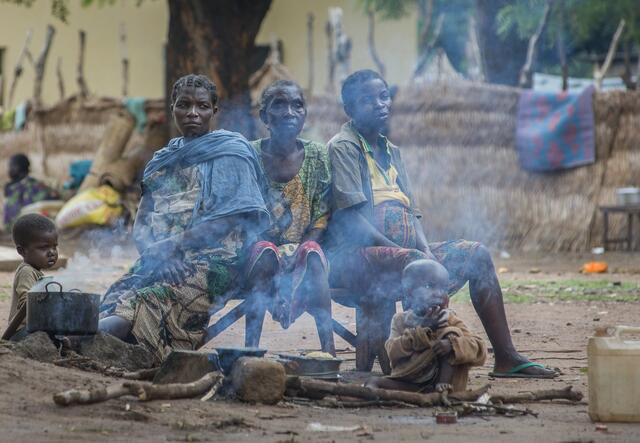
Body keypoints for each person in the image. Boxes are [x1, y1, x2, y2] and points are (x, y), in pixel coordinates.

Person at [326, 69, 554, 378]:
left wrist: (425, 252)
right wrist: (406, 253)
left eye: (383, 96)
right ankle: (420, 361)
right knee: (419, 268)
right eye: (367, 100)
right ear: (349, 110)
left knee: (476, 255)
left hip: (403, 255)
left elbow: (412, 214)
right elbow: (351, 218)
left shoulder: (392, 152)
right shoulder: (343, 147)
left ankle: (506, 357)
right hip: (358, 256)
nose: (380, 104)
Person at [99, 74, 270, 362]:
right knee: (114, 298)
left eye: (202, 106)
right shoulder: (162, 161)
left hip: (216, 261)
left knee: (148, 300)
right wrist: (162, 257)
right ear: (173, 108)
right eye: (184, 105)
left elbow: (228, 221)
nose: (193, 113)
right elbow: (141, 226)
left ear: (214, 111)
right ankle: (85, 342)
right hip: (160, 260)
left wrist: (171, 247)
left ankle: (76, 340)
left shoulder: (232, 153)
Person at [247, 80, 335, 355]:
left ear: (305, 115)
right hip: (258, 251)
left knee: (312, 253)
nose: (289, 112)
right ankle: (250, 352)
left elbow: (322, 214)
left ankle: (328, 355)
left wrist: (297, 249)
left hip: (304, 248)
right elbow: (244, 215)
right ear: (264, 117)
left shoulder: (318, 155)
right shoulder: (248, 154)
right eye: (279, 105)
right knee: (264, 253)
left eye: (298, 105)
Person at [366, 260, 486, 392]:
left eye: (443, 288)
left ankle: (442, 385)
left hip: (446, 386)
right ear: (410, 292)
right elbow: (392, 351)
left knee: (452, 332)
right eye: (430, 286)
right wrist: (422, 331)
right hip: (411, 382)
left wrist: (452, 345)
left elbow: (479, 349)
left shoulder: (449, 318)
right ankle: (370, 393)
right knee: (375, 381)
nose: (438, 293)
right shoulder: (400, 320)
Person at [2, 214, 58, 341]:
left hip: (34, 330)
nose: (52, 252)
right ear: (22, 251)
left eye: (54, 246)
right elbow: (27, 303)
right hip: (23, 334)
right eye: (44, 247)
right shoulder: (26, 271)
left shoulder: (37, 273)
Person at [4, 154, 59, 230]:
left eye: (11, 166)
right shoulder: (35, 184)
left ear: (17, 168)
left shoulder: (20, 188)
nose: (9, 170)